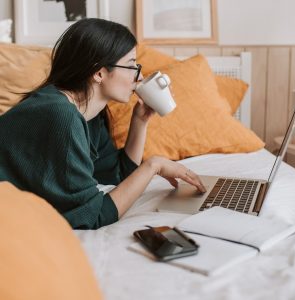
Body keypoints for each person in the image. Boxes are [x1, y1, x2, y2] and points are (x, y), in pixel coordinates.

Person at [0, 18, 206, 229]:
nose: (139, 75)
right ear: (99, 73)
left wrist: (140, 121)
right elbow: (93, 215)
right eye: (130, 65)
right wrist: (154, 165)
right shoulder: (61, 116)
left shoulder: (88, 115)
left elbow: (117, 177)